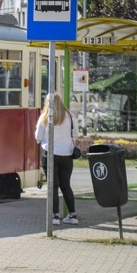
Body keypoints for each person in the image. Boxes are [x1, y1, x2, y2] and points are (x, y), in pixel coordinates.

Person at [35, 93, 79, 226]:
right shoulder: (71, 116)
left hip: (50, 153)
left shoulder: (45, 117)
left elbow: (38, 137)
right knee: (66, 185)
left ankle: (55, 217)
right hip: (67, 154)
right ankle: (73, 215)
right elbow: (75, 135)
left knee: (53, 186)